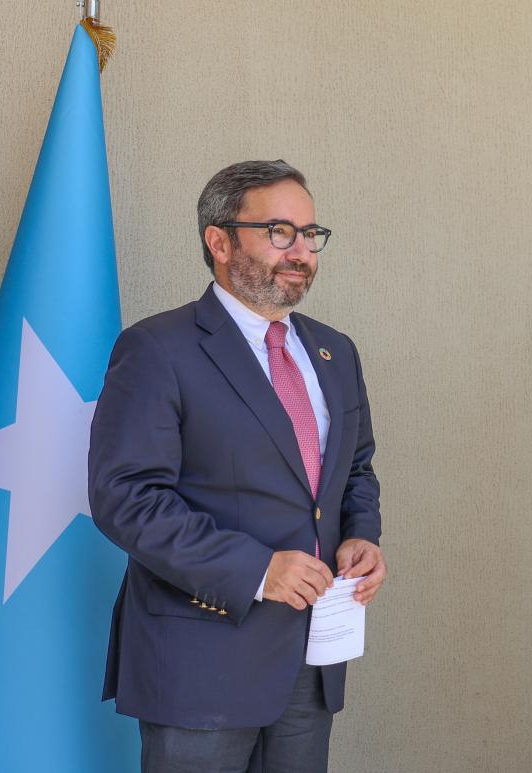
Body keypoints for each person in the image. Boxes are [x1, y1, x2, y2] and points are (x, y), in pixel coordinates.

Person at [88, 159, 387, 773]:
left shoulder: (334, 351)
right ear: (219, 241)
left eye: (310, 234)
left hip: (309, 663)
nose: (301, 250)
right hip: (201, 663)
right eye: (279, 231)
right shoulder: (157, 349)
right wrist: (258, 570)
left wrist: (362, 535)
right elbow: (125, 497)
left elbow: (354, 468)